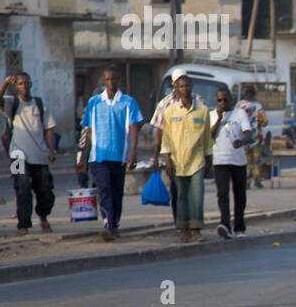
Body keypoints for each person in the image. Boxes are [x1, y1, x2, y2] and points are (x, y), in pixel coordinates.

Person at [77, 67, 143, 241]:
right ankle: (107, 223)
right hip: (98, 156)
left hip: (119, 156)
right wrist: (83, 157)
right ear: (103, 82)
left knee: (116, 192)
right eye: (107, 79)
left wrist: (133, 153)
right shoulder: (94, 102)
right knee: (104, 187)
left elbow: (134, 128)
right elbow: (89, 131)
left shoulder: (129, 102)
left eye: (113, 79)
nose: (111, 82)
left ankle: (114, 224)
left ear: (118, 80)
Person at [0, 72, 57, 235]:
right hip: (17, 155)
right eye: (20, 84)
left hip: (40, 154)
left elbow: (49, 129)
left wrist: (51, 149)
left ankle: (43, 217)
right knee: (21, 188)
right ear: (16, 86)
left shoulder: (40, 104)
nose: (24, 87)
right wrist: (6, 82)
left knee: (45, 190)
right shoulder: (12, 103)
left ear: (30, 84)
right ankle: (23, 224)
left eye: (26, 83)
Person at [156, 74, 212, 242]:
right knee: (181, 196)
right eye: (181, 87)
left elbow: (207, 138)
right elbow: (166, 138)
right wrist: (167, 161)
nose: (185, 89)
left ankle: (196, 230)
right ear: (176, 89)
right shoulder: (170, 111)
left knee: (197, 196)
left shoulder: (202, 110)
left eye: (187, 86)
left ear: (191, 87)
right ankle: (183, 229)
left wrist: (209, 162)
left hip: (197, 161)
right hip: (177, 161)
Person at [210, 87, 253, 238]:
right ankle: (225, 225)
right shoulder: (212, 115)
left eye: (225, 100)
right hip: (220, 160)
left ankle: (240, 228)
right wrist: (219, 119)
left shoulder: (239, 114)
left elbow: (248, 133)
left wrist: (240, 141)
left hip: (238, 160)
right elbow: (209, 135)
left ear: (231, 99)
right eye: (219, 100)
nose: (223, 103)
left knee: (240, 194)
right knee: (222, 193)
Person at [236, 86, 267, 188]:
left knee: (246, 160)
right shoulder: (258, 106)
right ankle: (256, 179)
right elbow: (264, 122)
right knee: (257, 160)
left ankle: (246, 180)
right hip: (256, 137)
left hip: (243, 137)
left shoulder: (239, 105)